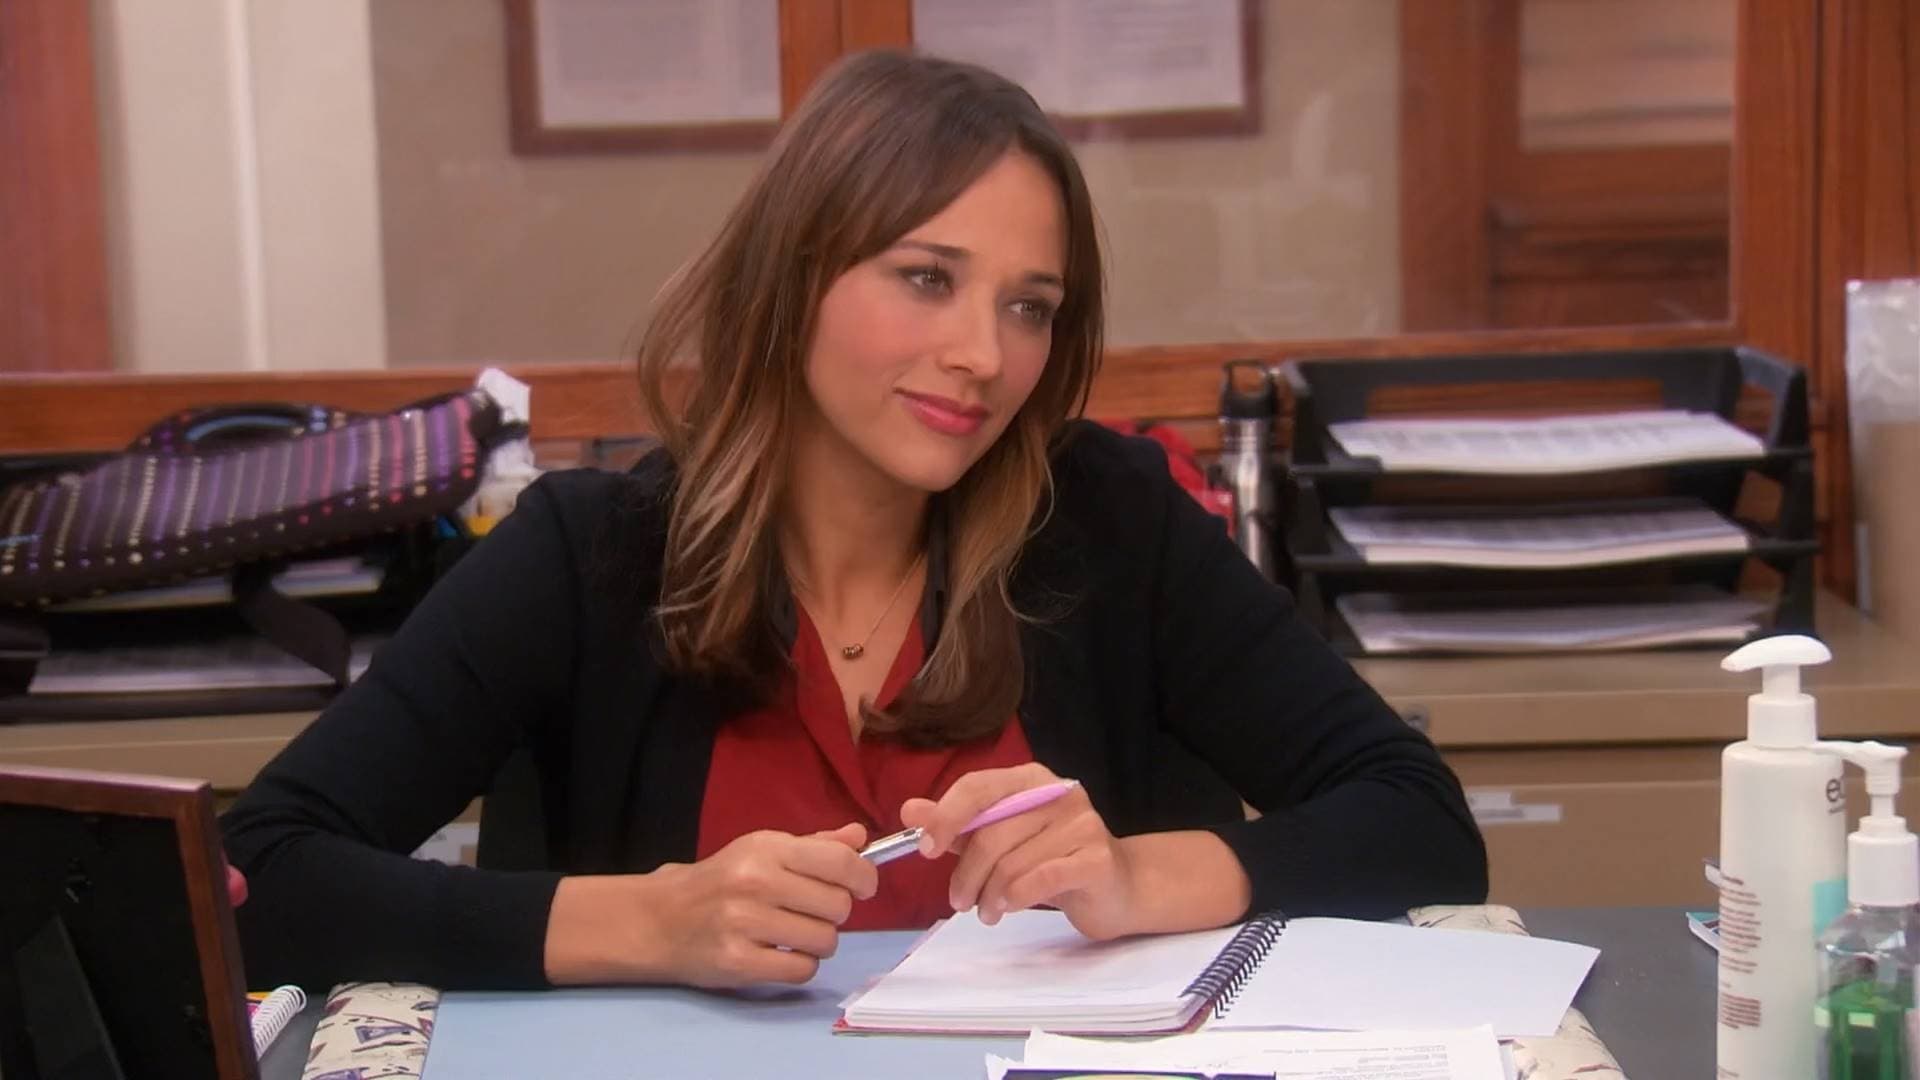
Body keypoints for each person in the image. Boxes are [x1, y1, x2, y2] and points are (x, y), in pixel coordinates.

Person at [221, 50, 1486, 994]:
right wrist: (649, 925)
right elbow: (252, 876)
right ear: (794, 280)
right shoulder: (586, 553)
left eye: (1030, 307)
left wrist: (1139, 875)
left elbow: (1419, 822)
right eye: (927, 278)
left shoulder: (1109, 519)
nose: (983, 353)